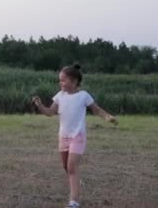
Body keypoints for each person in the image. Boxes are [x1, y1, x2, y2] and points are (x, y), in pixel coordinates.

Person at [32, 64, 117, 208]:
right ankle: (76, 181)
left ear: (74, 81)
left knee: (71, 167)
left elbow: (96, 110)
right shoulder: (59, 96)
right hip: (63, 137)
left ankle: (74, 201)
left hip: (78, 136)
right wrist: (40, 105)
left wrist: (107, 117)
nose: (60, 83)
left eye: (63, 80)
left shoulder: (83, 95)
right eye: (60, 80)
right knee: (67, 167)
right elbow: (50, 112)